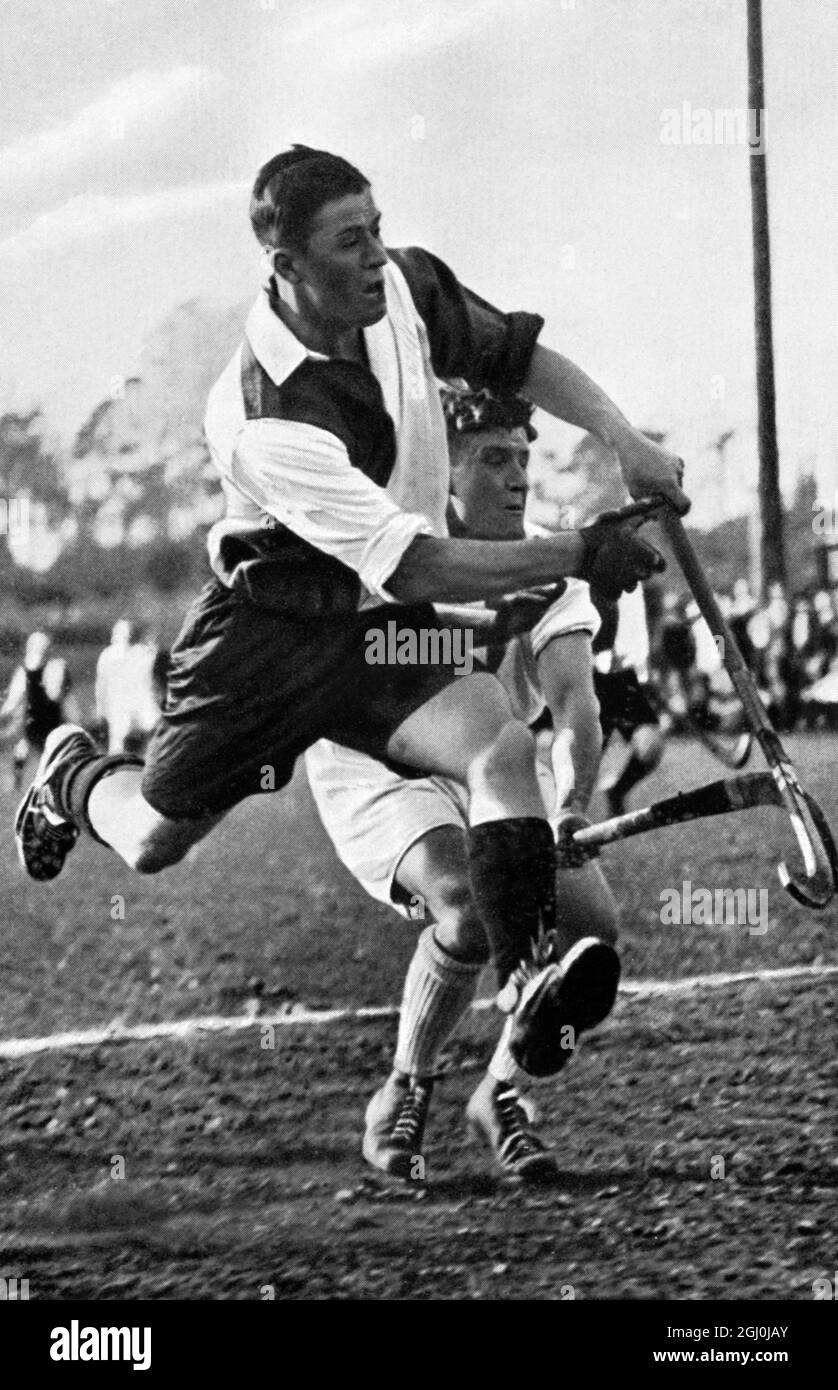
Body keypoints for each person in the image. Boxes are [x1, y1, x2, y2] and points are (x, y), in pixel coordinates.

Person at [16, 145, 685, 1080]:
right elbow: (415, 564)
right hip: (265, 638)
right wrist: (578, 553)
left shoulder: (402, 290)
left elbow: (517, 356)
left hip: (369, 628)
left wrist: (623, 437)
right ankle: (75, 771)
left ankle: (529, 972)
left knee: (497, 747)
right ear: (285, 268)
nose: (377, 256)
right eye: (348, 242)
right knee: (152, 840)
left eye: (377, 229)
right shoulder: (263, 413)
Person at [306, 387, 618, 1179]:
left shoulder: (551, 561)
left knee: (591, 927)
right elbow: (376, 665)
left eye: (524, 458)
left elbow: (576, 704)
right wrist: (485, 623)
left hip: (500, 770)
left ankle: (501, 1093)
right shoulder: (394, 553)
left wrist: (575, 804)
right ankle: (406, 1086)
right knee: (464, 903)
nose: (517, 477)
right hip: (379, 762)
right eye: (492, 459)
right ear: (442, 471)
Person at [590, 587, 665, 818]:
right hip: (588, 673)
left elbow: (638, 625)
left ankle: (617, 792)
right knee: (583, 762)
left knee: (650, 746)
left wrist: (645, 670)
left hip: (625, 675)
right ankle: (568, 835)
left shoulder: (639, 581)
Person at [0, 632, 77, 790]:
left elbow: (57, 695)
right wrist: (6, 711)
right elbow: (15, 695)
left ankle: (51, 782)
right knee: (24, 746)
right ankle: (18, 781)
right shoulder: (25, 669)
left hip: (52, 716)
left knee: (48, 749)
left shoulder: (56, 666)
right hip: (33, 718)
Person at [94, 620, 163, 755]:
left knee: (151, 746)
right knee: (118, 749)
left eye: (127, 633)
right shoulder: (108, 656)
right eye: (120, 633)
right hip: (119, 710)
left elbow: (152, 681)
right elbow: (101, 685)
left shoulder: (143, 653)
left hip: (142, 708)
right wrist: (101, 709)